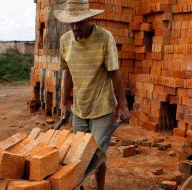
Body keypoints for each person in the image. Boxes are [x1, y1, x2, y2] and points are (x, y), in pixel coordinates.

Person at [54, 0, 130, 189]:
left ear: (89, 19)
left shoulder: (105, 38)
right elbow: (68, 73)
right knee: (77, 154)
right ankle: (77, 186)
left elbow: (114, 73)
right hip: (80, 108)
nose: (75, 27)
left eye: (79, 22)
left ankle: (100, 187)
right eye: (72, 23)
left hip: (103, 108)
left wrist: (123, 105)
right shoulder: (65, 40)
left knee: (97, 156)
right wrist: (64, 102)